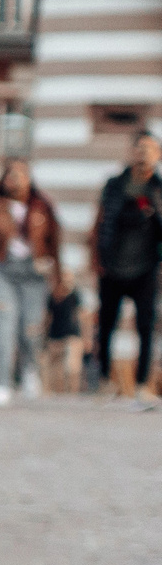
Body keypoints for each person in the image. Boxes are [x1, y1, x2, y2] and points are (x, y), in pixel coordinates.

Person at [0, 159, 65, 405]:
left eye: (20, 174)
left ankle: (30, 371)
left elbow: (54, 243)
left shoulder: (42, 206)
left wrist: (57, 277)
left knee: (31, 327)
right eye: (10, 174)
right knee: (1, 325)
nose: (15, 179)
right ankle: (1, 382)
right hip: (2, 269)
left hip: (34, 272)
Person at [90, 130, 162, 401]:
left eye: (150, 149)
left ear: (158, 155)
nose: (143, 153)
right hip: (113, 266)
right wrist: (96, 259)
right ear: (131, 152)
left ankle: (143, 383)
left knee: (145, 325)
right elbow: (98, 222)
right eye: (139, 148)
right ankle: (104, 380)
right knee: (106, 324)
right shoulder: (114, 185)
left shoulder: (158, 188)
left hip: (146, 267)